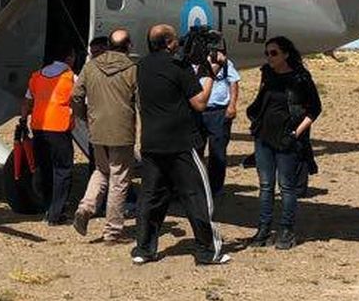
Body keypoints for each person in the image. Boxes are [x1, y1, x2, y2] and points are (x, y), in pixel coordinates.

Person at [131, 24, 228, 266]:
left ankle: (144, 249)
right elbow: (199, 103)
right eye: (175, 40)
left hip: (152, 143)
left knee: (151, 197)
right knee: (197, 196)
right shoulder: (178, 67)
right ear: (169, 43)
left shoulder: (141, 66)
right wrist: (209, 73)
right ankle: (208, 251)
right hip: (181, 143)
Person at [244, 36, 323, 250]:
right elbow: (261, 101)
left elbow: (314, 109)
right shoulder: (267, 74)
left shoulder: (300, 78)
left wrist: (296, 133)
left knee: (287, 187)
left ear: (286, 54)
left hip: (287, 139)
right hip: (264, 137)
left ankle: (286, 230)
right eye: (267, 53)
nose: (269, 57)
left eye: (274, 53)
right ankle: (263, 229)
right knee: (265, 186)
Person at [71, 28, 138, 242]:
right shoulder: (132, 69)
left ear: (109, 45)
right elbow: (140, 102)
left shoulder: (91, 67)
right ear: (128, 46)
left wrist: (83, 117)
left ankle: (86, 207)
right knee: (119, 179)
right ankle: (113, 231)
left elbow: (75, 95)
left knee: (101, 171)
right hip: (122, 131)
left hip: (97, 129)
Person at [22, 43, 77, 225]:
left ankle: (47, 206)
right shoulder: (71, 78)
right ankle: (56, 212)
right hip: (59, 128)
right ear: (69, 58)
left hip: (39, 127)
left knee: (45, 169)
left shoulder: (37, 76)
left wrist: (23, 121)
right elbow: (79, 100)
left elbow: (27, 101)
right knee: (63, 170)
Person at [201, 43, 240, 200]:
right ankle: (197, 186)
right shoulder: (197, 63)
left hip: (219, 111)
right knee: (196, 151)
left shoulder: (226, 64)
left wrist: (232, 105)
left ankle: (215, 187)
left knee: (217, 152)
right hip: (200, 110)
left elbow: (234, 82)